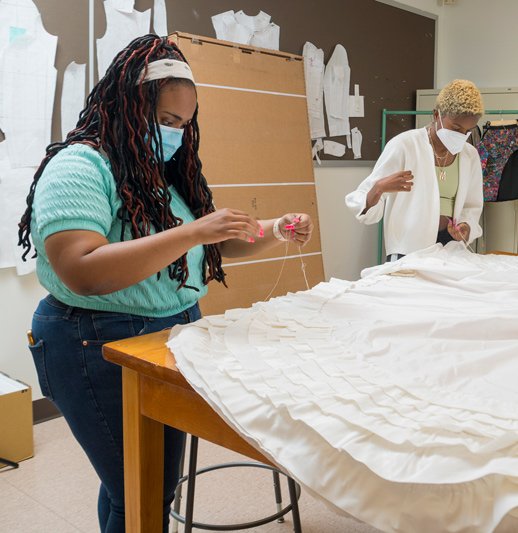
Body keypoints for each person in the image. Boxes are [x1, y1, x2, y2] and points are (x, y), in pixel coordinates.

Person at [17, 35, 313, 533]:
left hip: (167, 335)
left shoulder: (161, 174)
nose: (174, 134)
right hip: (94, 338)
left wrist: (275, 230)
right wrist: (194, 229)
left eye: (182, 124)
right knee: (141, 490)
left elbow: (208, 244)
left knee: (138, 486)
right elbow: (82, 269)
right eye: (165, 121)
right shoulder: (80, 166)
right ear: (126, 107)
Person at [346, 79, 484, 262]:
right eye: (456, 128)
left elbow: (472, 206)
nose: (461, 137)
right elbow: (363, 202)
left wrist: (466, 226)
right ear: (436, 115)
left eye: (468, 131)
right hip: (409, 247)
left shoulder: (469, 154)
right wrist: (378, 188)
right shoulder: (405, 145)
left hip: (451, 247)